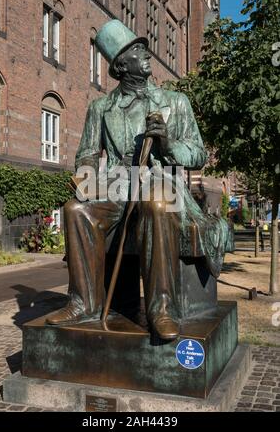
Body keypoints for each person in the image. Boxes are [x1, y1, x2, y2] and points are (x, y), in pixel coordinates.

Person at [46, 20, 229, 340]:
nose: (146, 53)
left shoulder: (175, 102)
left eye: (143, 48)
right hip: (116, 183)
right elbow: (86, 155)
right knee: (76, 210)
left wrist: (168, 144)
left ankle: (161, 307)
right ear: (120, 64)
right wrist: (87, 182)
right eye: (136, 50)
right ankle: (83, 302)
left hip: (163, 180)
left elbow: (198, 154)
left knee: (157, 203)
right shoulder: (101, 108)